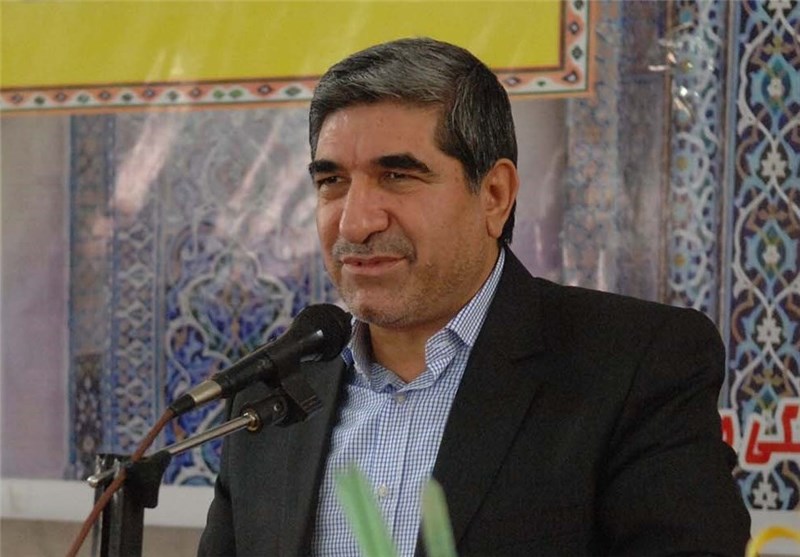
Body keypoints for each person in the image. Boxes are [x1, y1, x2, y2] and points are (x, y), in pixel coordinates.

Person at [198, 37, 750, 556]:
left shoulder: (633, 365)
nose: (355, 222)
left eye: (397, 176)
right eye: (332, 182)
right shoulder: (271, 398)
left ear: (494, 195)